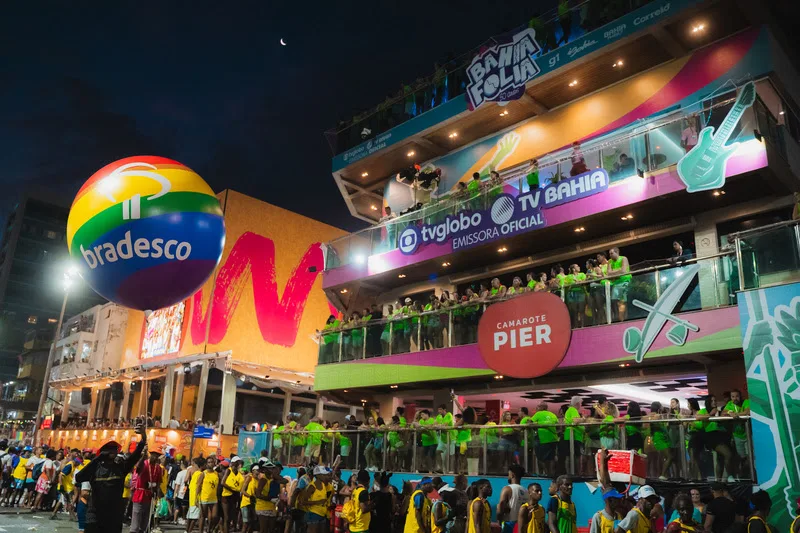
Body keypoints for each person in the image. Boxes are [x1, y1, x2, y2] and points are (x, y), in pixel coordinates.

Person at [75, 424, 146, 533]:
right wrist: (97, 459)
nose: (113, 451)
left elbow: (135, 456)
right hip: (94, 515)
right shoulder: (95, 468)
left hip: (114, 516)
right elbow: (79, 478)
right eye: (109, 449)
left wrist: (143, 437)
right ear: (102, 451)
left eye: (114, 449)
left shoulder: (121, 467)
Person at [131, 447, 164, 533]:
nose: (155, 457)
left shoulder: (158, 468)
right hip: (139, 494)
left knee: (145, 521)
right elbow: (138, 468)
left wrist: (157, 491)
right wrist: (143, 456)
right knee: (136, 520)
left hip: (150, 496)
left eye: (157, 456)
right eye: (154, 455)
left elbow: (159, 482)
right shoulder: (144, 464)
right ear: (150, 454)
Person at [723, 389, 751, 476]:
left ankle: (751, 474)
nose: (735, 398)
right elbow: (723, 413)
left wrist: (737, 415)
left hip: (748, 434)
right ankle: (745, 475)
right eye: (733, 396)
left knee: (751, 456)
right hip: (737, 435)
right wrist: (730, 413)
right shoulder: (730, 404)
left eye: (737, 396)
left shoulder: (746, 402)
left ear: (740, 396)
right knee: (742, 457)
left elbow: (747, 411)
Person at [299, 465, 333, 533]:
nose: (325, 476)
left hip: (323, 514)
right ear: (317, 476)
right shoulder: (312, 486)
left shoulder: (324, 485)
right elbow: (302, 501)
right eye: (323, 475)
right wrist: (318, 502)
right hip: (313, 514)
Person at [497, 464, 527, 533]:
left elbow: (501, 505)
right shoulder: (526, 491)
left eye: (508, 474)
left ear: (512, 475)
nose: (508, 476)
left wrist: (499, 520)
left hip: (509, 524)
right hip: (521, 525)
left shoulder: (507, 489)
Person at [531, 403, 559, 477]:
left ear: (541, 408)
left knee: (540, 458)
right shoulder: (553, 415)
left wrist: (537, 424)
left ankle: (546, 473)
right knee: (551, 458)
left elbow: (530, 423)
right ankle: (551, 474)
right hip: (553, 439)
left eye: (538, 406)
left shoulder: (538, 414)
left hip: (543, 439)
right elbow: (558, 426)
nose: (537, 408)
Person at [561, 396, 585, 475]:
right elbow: (575, 420)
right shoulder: (573, 410)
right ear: (577, 403)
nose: (581, 405)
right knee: (577, 456)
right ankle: (577, 474)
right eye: (581, 403)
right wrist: (583, 419)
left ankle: (570, 473)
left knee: (569, 456)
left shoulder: (569, 410)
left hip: (569, 436)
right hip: (575, 436)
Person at [196, 455, 220, 533]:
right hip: (204, 498)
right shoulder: (203, 474)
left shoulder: (216, 474)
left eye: (212, 462)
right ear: (206, 464)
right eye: (209, 462)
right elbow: (198, 486)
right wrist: (196, 498)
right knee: (202, 516)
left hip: (214, 498)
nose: (210, 464)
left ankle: (209, 529)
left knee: (214, 516)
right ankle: (201, 531)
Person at [607, 248, 631, 322]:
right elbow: (608, 273)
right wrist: (618, 271)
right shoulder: (610, 261)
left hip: (625, 282)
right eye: (609, 254)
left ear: (617, 252)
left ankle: (625, 318)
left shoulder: (623, 258)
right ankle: (619, 318)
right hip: (616, 283)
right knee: (614, 301)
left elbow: (623, 271)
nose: (610, 255)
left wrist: (613, 272)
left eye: (611, 253)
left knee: (623, 302)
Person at [220, 456, 243, 533]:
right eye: (238, 462)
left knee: (232, 516)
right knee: (226, 517)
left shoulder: (239, 473)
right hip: (226, 496)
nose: (240, 464)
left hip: (235, 496)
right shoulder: (228, 471)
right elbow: (223, 482)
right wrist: (233, 489)